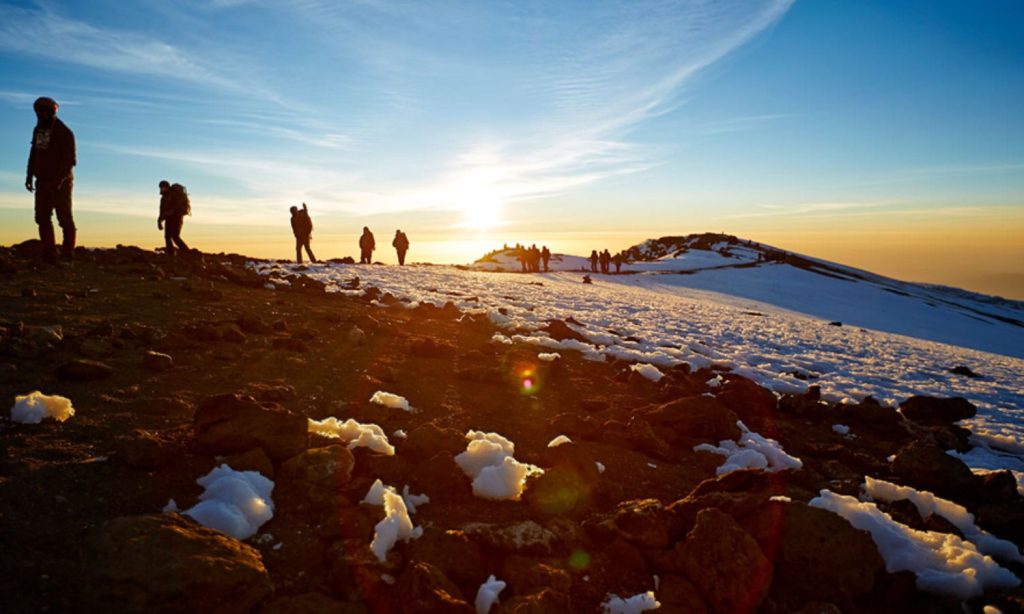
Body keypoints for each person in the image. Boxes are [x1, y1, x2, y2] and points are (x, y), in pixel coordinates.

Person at [25, 96, 76, 263]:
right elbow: (34, 153)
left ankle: (68, 252)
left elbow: (70, 161)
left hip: (61, 182)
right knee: (41, 217)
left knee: (64, 217)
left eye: (42, 112)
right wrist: (29, 175)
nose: (39, 115)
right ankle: (49, 252)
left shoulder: (64, 132)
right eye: (37, 112)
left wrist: (59, 181)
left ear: (51, 112)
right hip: (42, 180)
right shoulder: (38, 130)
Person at [158, 180, 191, 257]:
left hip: (177, 218)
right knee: (167, 237)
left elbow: (177, 207)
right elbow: (161, 210)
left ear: (166, 187)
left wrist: (170, 214)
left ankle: (187, 253)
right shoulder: (163, 198)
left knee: (175, 236)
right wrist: (159, 221)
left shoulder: (174, 195)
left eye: (163, 187)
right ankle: (171, 255)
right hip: (168, 219)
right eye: (161, 188)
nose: (161, 189)